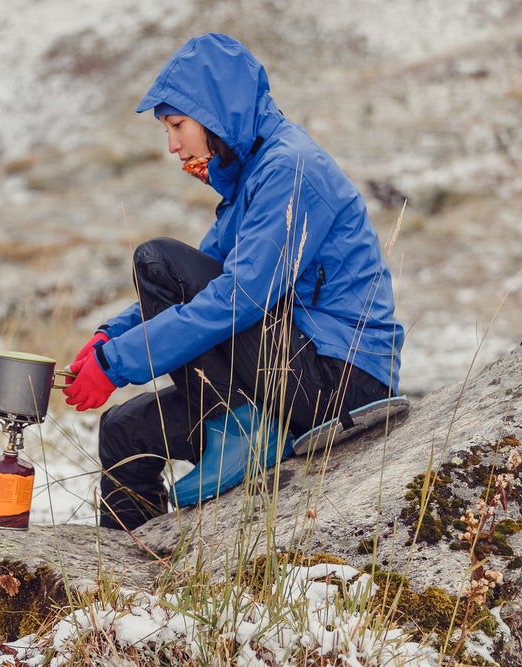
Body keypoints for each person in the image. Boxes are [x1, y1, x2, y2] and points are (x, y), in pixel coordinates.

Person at [61, 33, 405, 531]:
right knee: (124, 430)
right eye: (166, 130)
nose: (173, 144)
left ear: (219, 113)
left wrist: (119, 363)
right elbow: (205, 277)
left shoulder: (290, 168)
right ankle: (128, 575)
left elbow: (237, 298)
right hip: (285, 375)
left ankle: (239, 431)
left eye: (177, 125)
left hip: (341, 379)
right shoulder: (251, 180)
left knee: (156, 260)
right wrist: (109, 337)